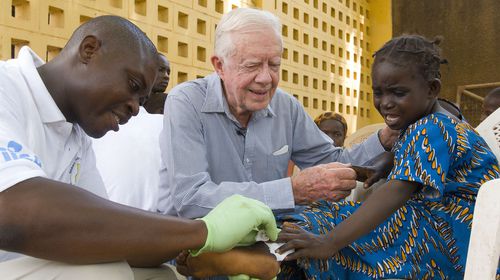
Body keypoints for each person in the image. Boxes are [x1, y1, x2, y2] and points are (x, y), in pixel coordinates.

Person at [0, 15, 279, 279]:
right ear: (89, 50)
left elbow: (105, 235)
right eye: (132, 85)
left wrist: (214, 249)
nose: (135, 108)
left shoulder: (76, 137)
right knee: (103, 274)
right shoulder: (7, 87)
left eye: (143, 99)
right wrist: (205, 231)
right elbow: (15, 211)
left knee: (159, 275)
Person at [274, 35, 500, 279]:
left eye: (398, 93)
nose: (386, 103)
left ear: (432, 89)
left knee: (324, 227)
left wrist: (329, 243)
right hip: (443, 227)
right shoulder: (430, 122)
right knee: (322, 220)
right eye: (378, 93)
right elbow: (424, 157)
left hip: (459, 240)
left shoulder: (433, 127)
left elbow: (397, 190)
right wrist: (391, 160)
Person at [158, 7, 396, 219]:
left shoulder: (286, 107)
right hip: (201, 251)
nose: (265, 79)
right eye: (251, 65)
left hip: (269, 243)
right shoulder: (186, 102)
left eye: (274, 65)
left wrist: (384, 139)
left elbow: (334, 163)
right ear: (219, 66)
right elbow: (190, 199)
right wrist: (291, 192)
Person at [92, 53, 170, 211]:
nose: (165, 77)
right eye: (160, 70)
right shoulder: (165, 127)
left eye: (168, 72)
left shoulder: (92, 130)